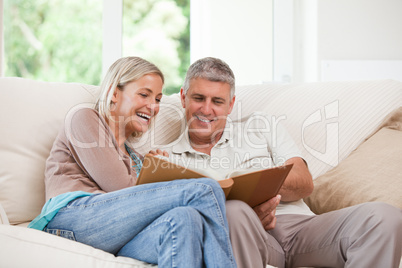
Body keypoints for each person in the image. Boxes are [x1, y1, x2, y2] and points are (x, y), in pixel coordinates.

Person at [164, 57, 402, 268]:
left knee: (384, 216)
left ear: (231, 104)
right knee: (235, 212)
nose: (207, 110)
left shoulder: (260, 126)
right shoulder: (165, 159)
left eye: (217, 101)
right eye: (198, 98)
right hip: (243, 234)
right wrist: (243, 213)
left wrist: (255, 190)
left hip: (302, 229)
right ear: (184, 98)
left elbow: (304, 182)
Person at [28, 56, 237, 268]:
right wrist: (155, 179)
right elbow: (120, 188)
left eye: (157, 99)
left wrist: (154, 169)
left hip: (113, 234)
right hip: (69, 218)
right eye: (144, 95)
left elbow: (134, 205)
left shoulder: (135, 156)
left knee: (184, 219)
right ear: (115, 93)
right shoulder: (83, 119)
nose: (152, 106)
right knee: (205, 189)